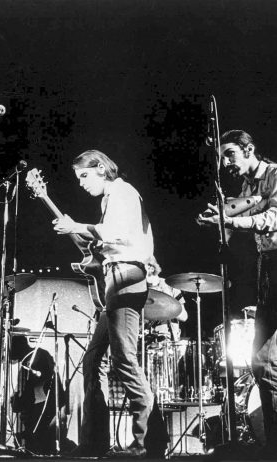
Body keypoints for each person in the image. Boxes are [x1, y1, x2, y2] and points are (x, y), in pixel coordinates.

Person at [197, 130, 277, 459]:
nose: (225, 163)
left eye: (230, 154)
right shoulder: (248, 188)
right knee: (262, 359)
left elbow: (275, 218)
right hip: (269, 269)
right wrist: (218, 220)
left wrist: (229, 221)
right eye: (221, 158)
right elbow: (239, 214)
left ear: (249, 149)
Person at [52, 150, 168, 457]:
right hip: (115, 277)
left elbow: (119, 235)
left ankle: (149, 442)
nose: (81, 183)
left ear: (101, 168)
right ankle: (95, 440)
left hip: (126, 276)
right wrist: (81, 235)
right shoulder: (111, 198)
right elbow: (107, 243)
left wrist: (77, 226)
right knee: (93, 360)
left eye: (84, 175)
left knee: (124, 359)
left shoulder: (121, 192)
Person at [145, 255, 188, 341]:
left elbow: (184, 316)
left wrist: (167, 304)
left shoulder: (170, 287)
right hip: (145, 340)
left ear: (151, 268)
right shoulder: (139, 289)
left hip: (168, 340)